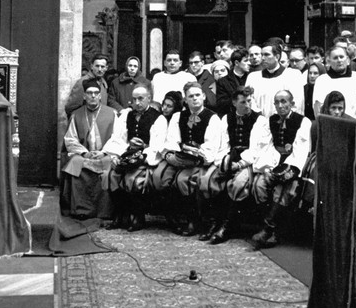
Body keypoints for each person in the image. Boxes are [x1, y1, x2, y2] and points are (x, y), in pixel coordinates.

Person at [200, 85, 272, 244]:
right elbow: (223, 143)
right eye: (243, 102)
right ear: (234, 103)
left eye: (249, 101)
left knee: (238, 184)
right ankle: (213, 222)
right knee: (207, 180)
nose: (247, 105)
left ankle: (227, 226)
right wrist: (224, 162)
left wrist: (239, 164)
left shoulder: (260, 121)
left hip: (249, 161)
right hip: (229, 157)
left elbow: (257, 150)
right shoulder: (226, 118)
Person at [158, 81, 223, 236]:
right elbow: (172, 140)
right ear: (185, 100)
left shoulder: (212, 118)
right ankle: (182, 218)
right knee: (162, 178)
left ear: (203, 96)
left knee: (184, 180)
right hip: (181, 157)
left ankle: (201, 220)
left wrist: (195, 156)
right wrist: (175, 153)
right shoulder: (178, 116)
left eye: (197, 95)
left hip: (202, 160)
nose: (194, 99)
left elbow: (211, 146)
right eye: (190, 96)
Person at [251, 89, 311, 249]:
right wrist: (269, 168)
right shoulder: (271, 121)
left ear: (292, 104)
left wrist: (290, 171)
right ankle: (268, 227)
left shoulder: (303, 122)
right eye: (277, 102)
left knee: (283, 192)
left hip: (294, 164)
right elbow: (267, 146)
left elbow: (301, 149)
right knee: (260, 185)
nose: (280, 105)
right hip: (274, 162)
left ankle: (271, 230)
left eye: (284, 101)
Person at [102, 84, 168, 232]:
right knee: (111, 175)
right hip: (127, 156)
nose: (137, 103)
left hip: (145, 159)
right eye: (134, 99)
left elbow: (158, 146)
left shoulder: (159, 119)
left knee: (132, 179)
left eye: (141, 99)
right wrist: (122, 152)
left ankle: (137, 215)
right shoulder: (126, 115)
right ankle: (119, 214)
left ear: (149, 99)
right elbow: (118, 139)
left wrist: (143, 148)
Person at [60, 78, 117, 221]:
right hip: (83, 153)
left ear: (100, 96)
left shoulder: (112, 114)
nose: (92, 96)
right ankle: (80, 209)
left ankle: (104, 212)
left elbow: (117, 138)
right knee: (75, 163)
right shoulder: (76, 114)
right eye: (89, 93)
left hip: (104, 153)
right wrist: (84, 152)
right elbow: (70, 139)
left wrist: (103, 152)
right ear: (84, 96)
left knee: (108, 164)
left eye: (96, 93)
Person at [312, 44, 356, 118]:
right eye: (335, 58)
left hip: (354, 124)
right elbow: (318, 108)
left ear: (348, 60)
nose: (339, 60)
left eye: (341, 57)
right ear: (329, 61)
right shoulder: (322, 80)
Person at [250, 42, 304, 118]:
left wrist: (276, 119)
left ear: (277, 56)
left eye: (266, 54)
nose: (262, 58)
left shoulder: (292, 75)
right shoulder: (253, 77)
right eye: (261, 55)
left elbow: (296, 103)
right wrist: (258, 116)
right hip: (259, 122)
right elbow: (249, 100)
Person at [64, 53, 110, 117]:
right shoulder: (82, 82)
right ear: (91, 66)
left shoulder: (103, 82)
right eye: (97, 66)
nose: (99, 69)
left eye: (102, 67)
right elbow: (71, 108)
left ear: (106, 68)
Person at [215, 47, 251, 116]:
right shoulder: (223, 81)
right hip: (232, 117)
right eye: (246, 61)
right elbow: (221, 103)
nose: (249, 63)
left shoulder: (252, 77)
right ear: (237, 63)